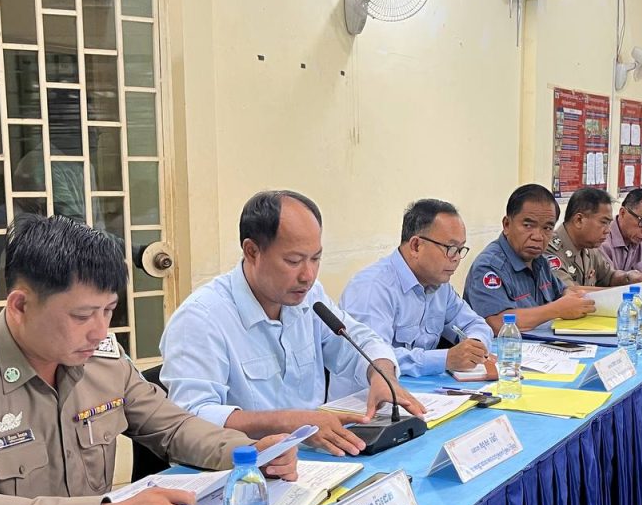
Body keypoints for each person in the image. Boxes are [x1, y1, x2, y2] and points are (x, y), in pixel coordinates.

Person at [0, 215, 298, 505]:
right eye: (82, 316)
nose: (100, 331)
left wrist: (248, 453)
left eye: (108, 310)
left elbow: (173, 427)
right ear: (20, 306)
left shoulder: (103, 362)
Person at [160, 191, 425, 458]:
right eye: (293, 261)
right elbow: (191, 420)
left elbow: (360, 341)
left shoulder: (309, 297)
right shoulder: (200, 319)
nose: (308, 275)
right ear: (252, 251)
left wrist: (382, 375)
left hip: (315, 460)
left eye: (316, 258)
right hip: (245, 468)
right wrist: (287, 421)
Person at [340, 199, 493, 378]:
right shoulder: (372, 288)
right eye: (451, 248)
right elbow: (372, 358)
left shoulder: (440, 286)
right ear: (416, 246)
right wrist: (445, 359)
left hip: (423, 390)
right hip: (370, 393)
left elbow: (475, 324)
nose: (457, 258)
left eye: (460, 249)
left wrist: (474, 345)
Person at [464, 183, 595, 332]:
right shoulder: (489, 266)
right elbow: (496, 323)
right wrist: (556, 310)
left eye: (547, 228)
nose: (538, 237)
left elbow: (561, 292)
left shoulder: (539, 260)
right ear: (507, 225)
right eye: (528, 225)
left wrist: (572, 297)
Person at [544, 187, 642, 291]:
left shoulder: (589, 247)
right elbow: (571, 292)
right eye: (603, 222)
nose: (608, 230)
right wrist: (626, 290)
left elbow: (609, 276)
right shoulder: (549, 250)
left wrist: (629, 277)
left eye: (609, 223)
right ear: (579, 220)